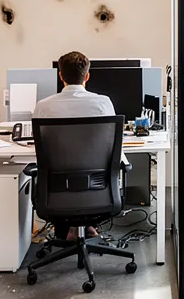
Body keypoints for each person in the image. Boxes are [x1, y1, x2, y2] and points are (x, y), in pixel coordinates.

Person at [33, 51, 126, 241]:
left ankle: (70, 229)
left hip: (57, 191)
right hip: (97, 189)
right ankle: (87, 226)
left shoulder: (43, 106)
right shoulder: (103, 103)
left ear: (60, 76)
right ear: (87, 76)